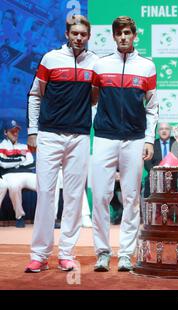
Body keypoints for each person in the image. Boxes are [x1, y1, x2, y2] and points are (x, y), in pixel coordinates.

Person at [25, 15, 98, 273]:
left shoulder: (96, 63)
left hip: (79, 136)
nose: (79, 37)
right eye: (75, 33)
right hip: (49, 134)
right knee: (45, 194)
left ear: (89, 36)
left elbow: (95, 99)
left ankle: (66, 253)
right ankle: (39, 255)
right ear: (68, 34)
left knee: (75, 197)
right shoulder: (50, 58)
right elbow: (35, 95)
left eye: (83, 34)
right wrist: (32, 131)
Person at [90, 16, 158, 272]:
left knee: (131, 198)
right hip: (105, 138)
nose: (123, 37)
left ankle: (127, 253)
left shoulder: (147, 67)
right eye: (119, 33)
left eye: (127, 33)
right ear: (113, 36)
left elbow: (152, 108)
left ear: (134, 34)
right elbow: (93, 100)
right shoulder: (100, 65)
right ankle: (102, 252)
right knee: (100, 197)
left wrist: (149, 139)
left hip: (134, 139)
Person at [0, 120, 36, 228]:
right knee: (14, 186)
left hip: (27, 174)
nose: (16, 133)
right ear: (5, 132)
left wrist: (12, 160)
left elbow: (31, 164)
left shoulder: (24, 146)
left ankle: (48, 217)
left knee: (45, 184)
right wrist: (21, 158)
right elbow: (3, 163)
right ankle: (19, 217)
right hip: (9, 175)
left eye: (17, 131)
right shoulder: (1, 146)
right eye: (12, 131)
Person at [143, 122, 178, 198]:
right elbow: (147, 163)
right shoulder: (152, 144)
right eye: (161, 129)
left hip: (175, 175)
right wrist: (157, 173)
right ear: (157, 132)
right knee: (148, 179)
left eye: (166, 129)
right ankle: (150, 205)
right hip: (156, 175)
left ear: (170, 131)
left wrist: (174, 172)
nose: (164, 131)